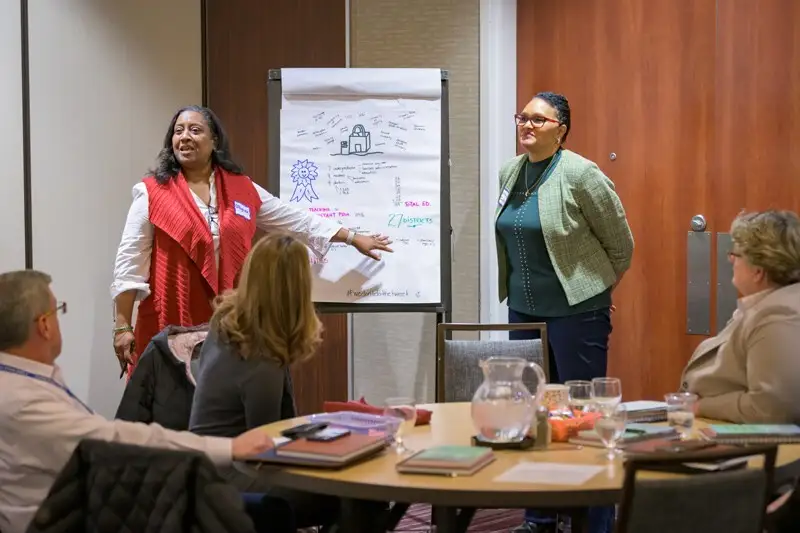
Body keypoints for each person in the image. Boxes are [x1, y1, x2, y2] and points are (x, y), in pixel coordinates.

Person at [111, 105, 393, 377]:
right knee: (172, 408)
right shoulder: (151, 193)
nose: (184, 137)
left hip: (228, 320)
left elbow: (294, 219)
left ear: (214, 140)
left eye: (195, 130)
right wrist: (122, 326)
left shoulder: (241, 188)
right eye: (178, 131)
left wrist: (353, 237)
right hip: (172, 317)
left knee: (222, 408)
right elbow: (129, 262)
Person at [0, 270, 274, 533]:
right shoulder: (21, 401)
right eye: (57, 310)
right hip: (75, 519)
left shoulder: (21, 381)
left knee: (253, 509)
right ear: (44, 326)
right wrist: (231, 448)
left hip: (88, 506)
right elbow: (114, 441)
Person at [495, 92, 634, 533]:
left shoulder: (581, 173)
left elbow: (621, 244)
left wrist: (596, 288)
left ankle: (596, 522)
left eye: (539, 119)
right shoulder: (510, 172)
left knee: (585, 415)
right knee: (534, 413)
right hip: (524, 313)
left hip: (578, 313)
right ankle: (539, 517)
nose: (527, 125)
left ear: (562, 130)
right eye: (523, 117)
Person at [189, 233, 337, 528]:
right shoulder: (261, 361)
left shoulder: (226, 323)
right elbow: (264, 449)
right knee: (347, 497)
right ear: (296, 289)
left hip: (204, 468)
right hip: (232, 475)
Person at [680, 210, 800, 423]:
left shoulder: (778, 316)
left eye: (735, 254)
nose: (730, 260)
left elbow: (771, 407)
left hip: (745, 446)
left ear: (758, 270)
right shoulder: (766, 303)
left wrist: (700, 407)